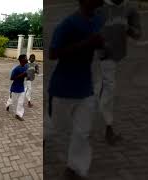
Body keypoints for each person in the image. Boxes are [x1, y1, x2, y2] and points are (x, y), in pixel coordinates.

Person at [47, 0, 104, 178]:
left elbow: (100, 46)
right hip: (62, 88)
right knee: (55, 127)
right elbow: (52, 53)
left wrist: (103, 47)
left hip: (85, 87)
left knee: (82, 132)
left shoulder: (98, 20)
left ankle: (74, 168)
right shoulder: (68, 24)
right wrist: (86, 43)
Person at [94, 0, 142, 145]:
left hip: (114, 56)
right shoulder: (98, 7)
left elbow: (137, 34)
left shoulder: (129, 9)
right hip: (100, 56)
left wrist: (129, 29)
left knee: (104, 89)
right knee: (106, 90)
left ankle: (106, 125)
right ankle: (108, 127)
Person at [6, 54, 28, 121]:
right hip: (15, 88)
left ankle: (18, 115)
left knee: (20, 102)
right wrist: (22, 75)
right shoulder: (16, 69)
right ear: (21, 60)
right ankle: (7, 104)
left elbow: (27, 75)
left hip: (21, 88)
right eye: (25, 58)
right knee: (13, 101)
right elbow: (11, 78)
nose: (27, 59)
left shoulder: (26, 66)